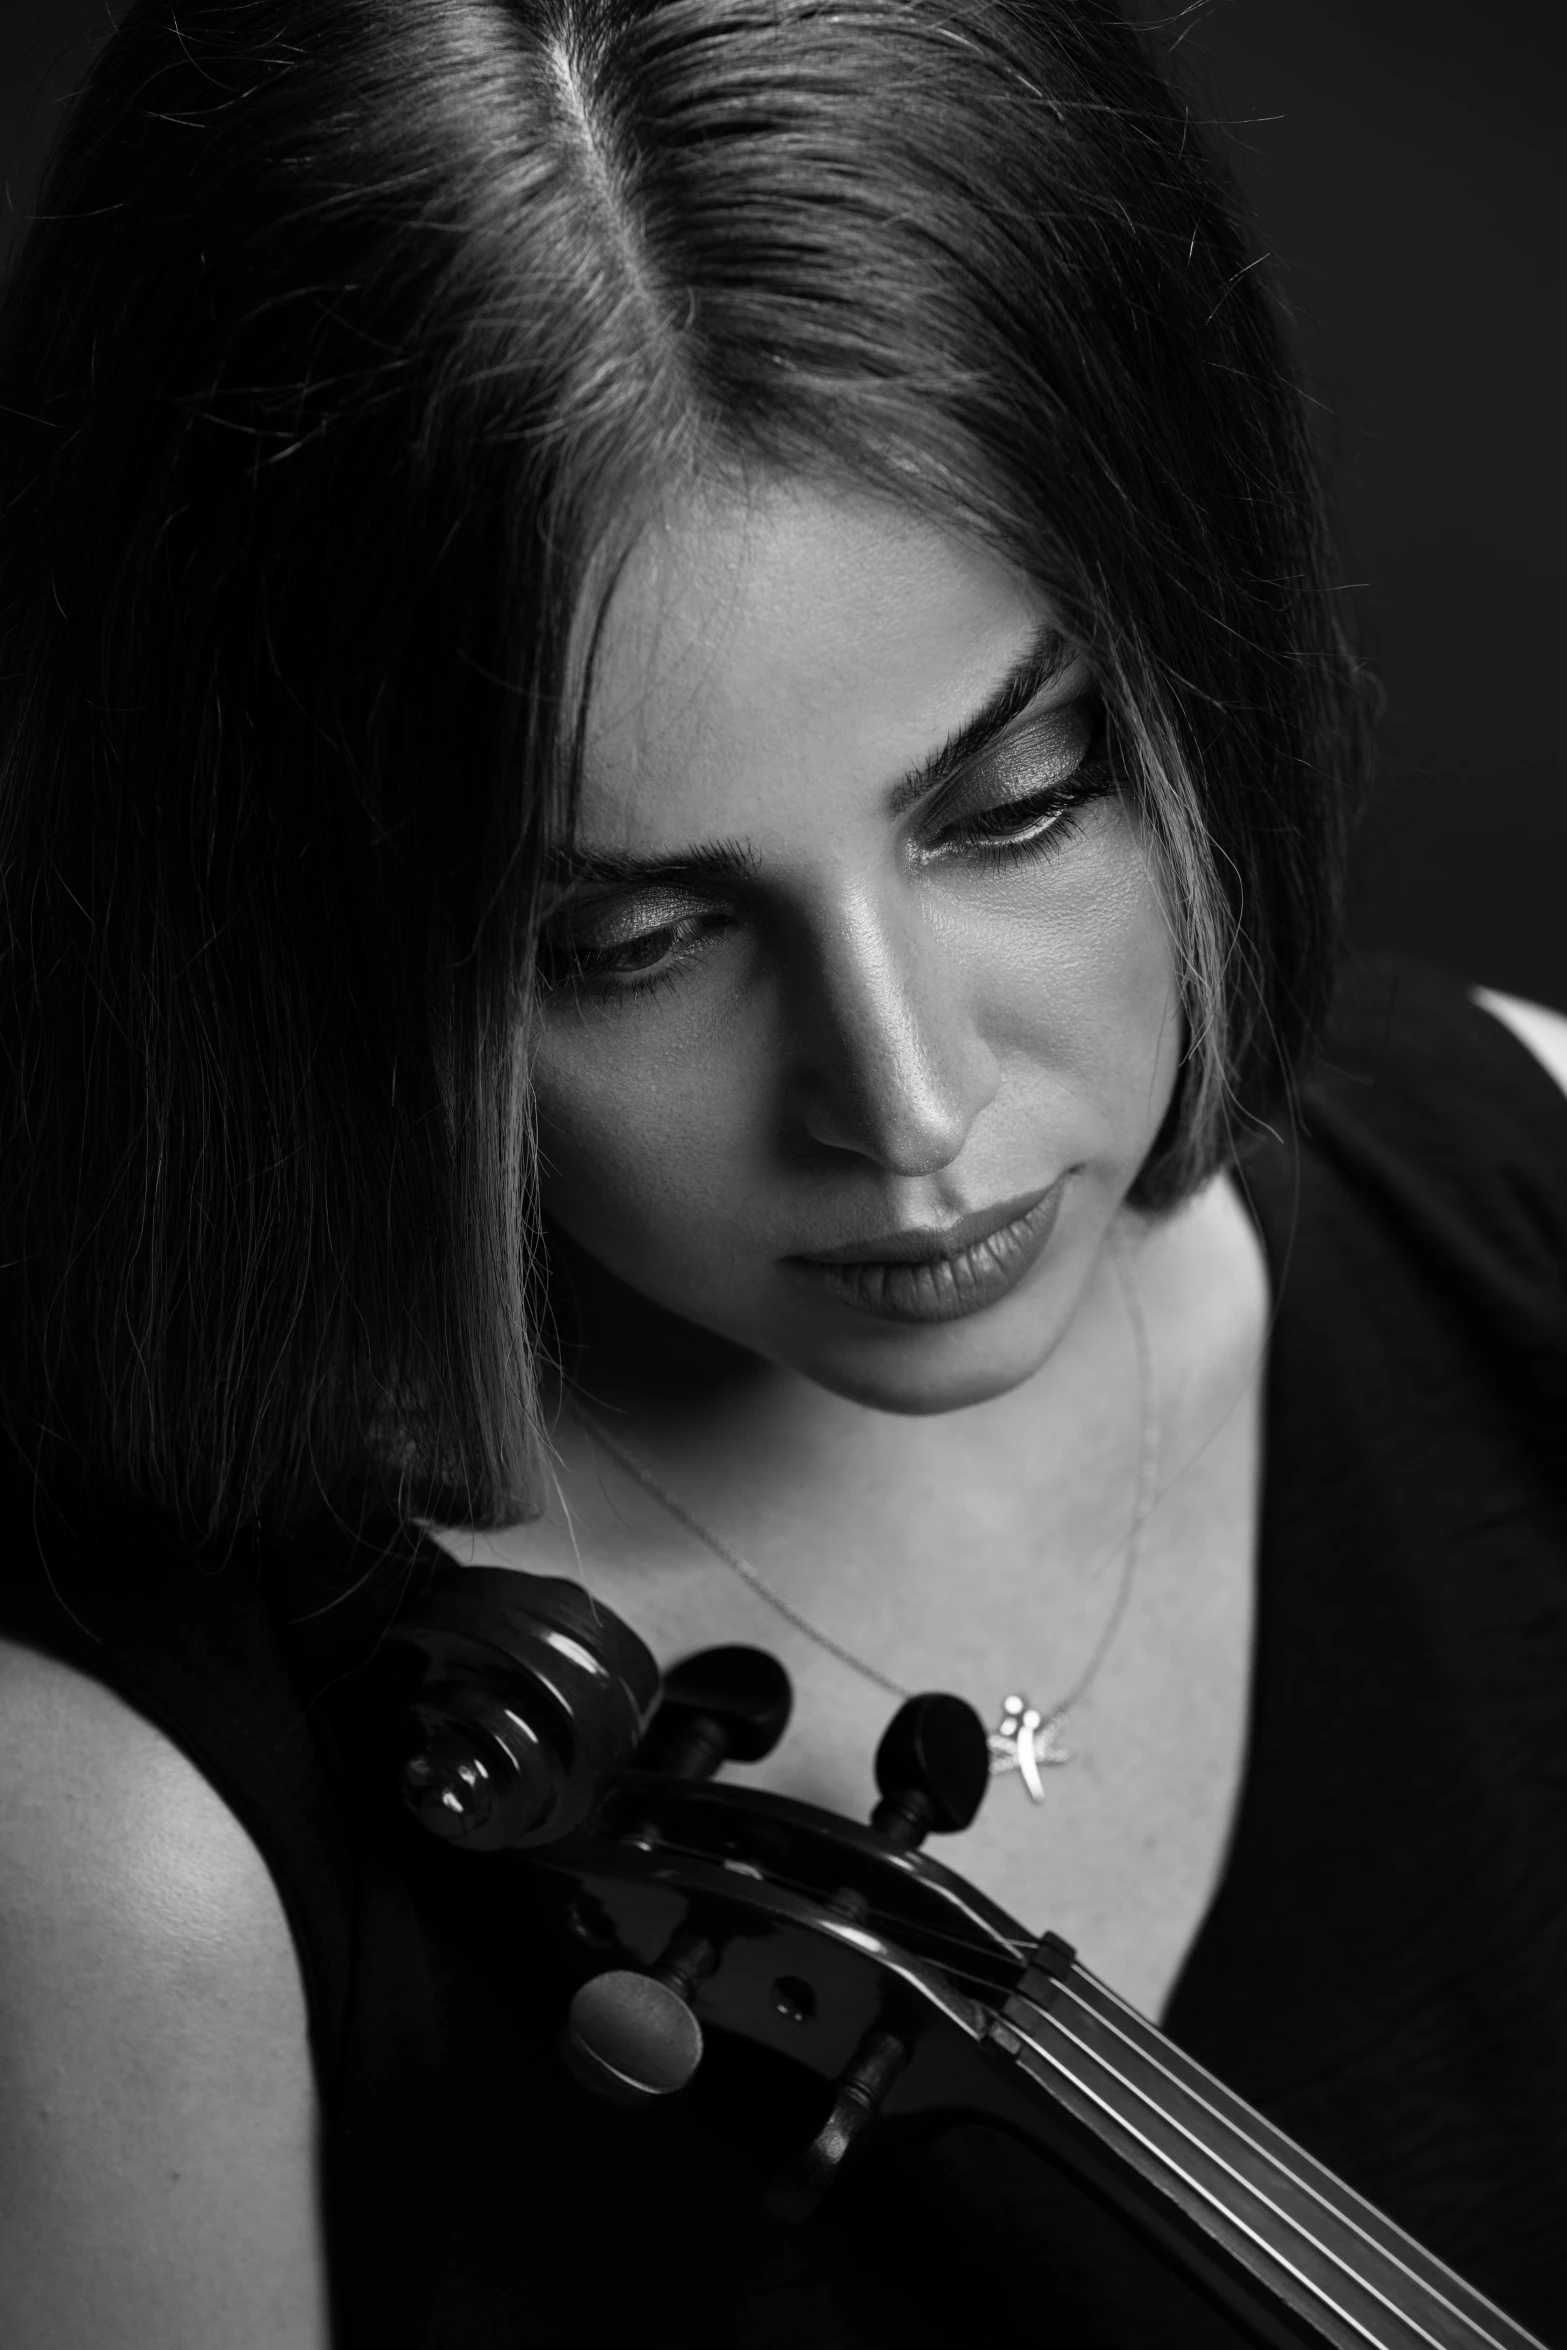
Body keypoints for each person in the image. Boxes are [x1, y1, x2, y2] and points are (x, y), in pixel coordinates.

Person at [1, 1, 1564, 2344]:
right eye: (631, 941)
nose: (908, 1105)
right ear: (305, 958)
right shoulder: (120, 1856)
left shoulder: (1541, 1196)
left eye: (1015, 798)